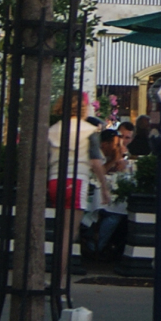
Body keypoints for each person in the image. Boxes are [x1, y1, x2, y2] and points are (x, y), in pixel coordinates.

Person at [47, 95, 110, 266]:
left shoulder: (53, 129)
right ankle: (60, 280)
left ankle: (51, 273)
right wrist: (104, 187)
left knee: (60, 229)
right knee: (69, 232)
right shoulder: (89, 131)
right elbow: (95, 161)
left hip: (54, 180)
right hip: (76, 180)